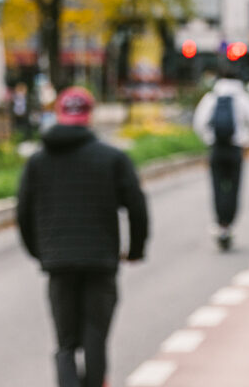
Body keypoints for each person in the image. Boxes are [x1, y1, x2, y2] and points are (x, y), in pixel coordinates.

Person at [16, 87, 149, 387]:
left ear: (58, 112)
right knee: (95, 337)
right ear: (90, 114)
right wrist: (136, 248)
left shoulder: (37, 162)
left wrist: (40, 252)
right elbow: (137, 206)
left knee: (65, 344)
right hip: (101, 261)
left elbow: (23, 213)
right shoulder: (113, 158)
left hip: (58, 263)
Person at [192, 70, 249, 251]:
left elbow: (198, 124)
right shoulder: (243, 98)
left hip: (216, 149)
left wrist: (209, 139)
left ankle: (220, 223)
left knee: (217, 187)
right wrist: (248, 141)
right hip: (235, 149)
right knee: (234, 187)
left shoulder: (210, 98)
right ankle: (229, 224)